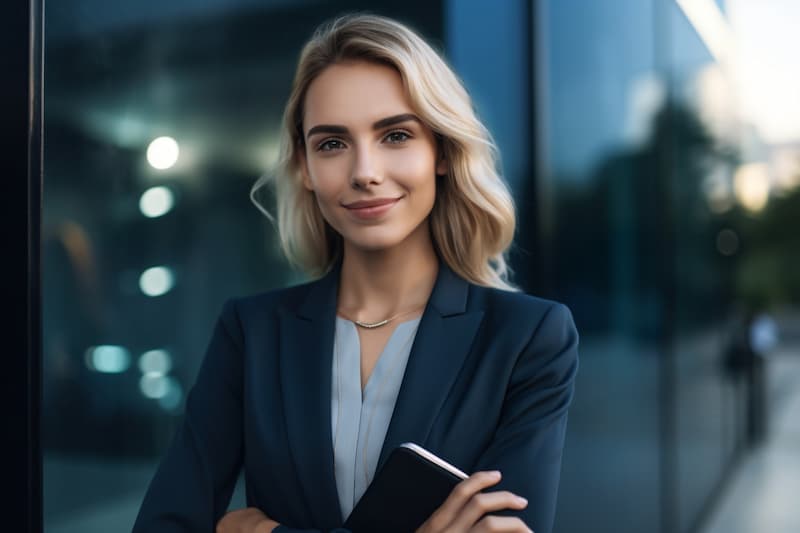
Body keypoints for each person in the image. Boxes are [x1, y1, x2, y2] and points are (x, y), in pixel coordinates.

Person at [133, 12, 578, 533]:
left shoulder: (529, 338)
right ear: (304, 165)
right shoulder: (251, 332)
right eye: (332, 143)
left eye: (395, 135)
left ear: (441, 150)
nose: (364, 172)